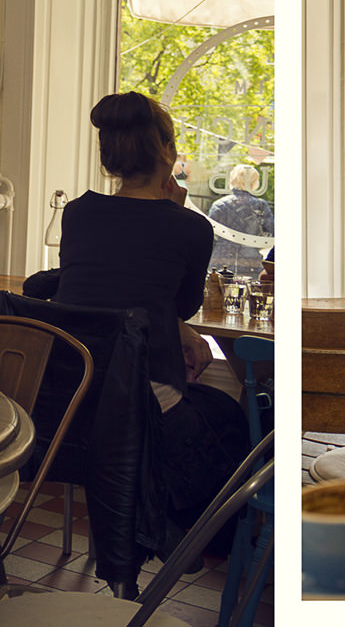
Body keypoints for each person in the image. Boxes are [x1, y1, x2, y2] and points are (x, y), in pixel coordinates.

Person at [48, 92, 250, 566]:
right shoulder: (189, 227)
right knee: (230, 417)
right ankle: (187, 536)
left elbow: (111, 295)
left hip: (71, 392)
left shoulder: (78, 213)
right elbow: (182, 305)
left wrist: (182, 332)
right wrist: (175, 211)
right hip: (142, 397)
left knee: (199, 416)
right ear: (167, 152)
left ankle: (153, 528)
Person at [205, 164, 273, 276]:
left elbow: (209, 237)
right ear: (254, 182)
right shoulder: (260, 205)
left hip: (221, 261)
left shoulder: (219, 205)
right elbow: (272, 233)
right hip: (250, 263)